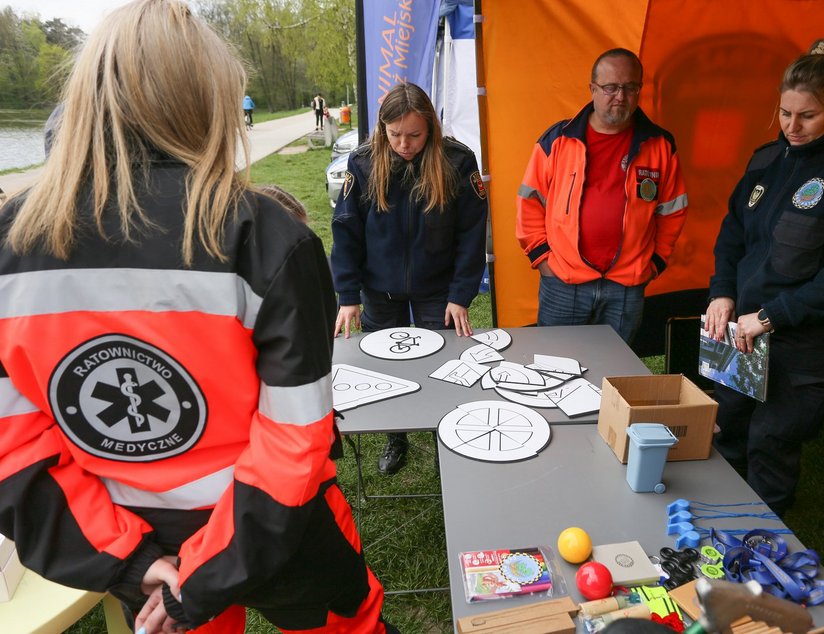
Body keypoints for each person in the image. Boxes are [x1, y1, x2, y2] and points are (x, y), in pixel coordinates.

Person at [0, 1, 391, 633]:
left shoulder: (9, 247)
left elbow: (12, 451)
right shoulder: (263, 237)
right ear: (205, 95)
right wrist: (212, 568)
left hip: (138, 536)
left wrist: (127, 559)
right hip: (278, 529)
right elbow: (294, 439)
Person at [704, 33, 824, 517]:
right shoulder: (766, 160)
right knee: (727, 423)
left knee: (772, 440)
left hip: (805, 342)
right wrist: (723, 294)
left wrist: (770, 317)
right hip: (742, 329)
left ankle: (761, 541)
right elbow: (733, 235)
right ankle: (716, 522)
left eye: (807, 115)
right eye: (785, 112)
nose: (792, 126)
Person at [331, 82, 487, 475]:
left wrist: (461, 294)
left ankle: (446, 434)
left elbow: (472, 233)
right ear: (382, 129)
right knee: (388, 367)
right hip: (380, 288)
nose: (404, 144)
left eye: (415, 135)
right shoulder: (363, 163)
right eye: (395, 134)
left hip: (440, 288)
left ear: (430, 128)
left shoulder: (457, 160)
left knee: (445, 363)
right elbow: (345, 229)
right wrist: (348, 295)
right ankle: (395, 436)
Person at [516, 48, 688, 346]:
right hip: (564, 282)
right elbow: (530, 201)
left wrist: (654, 263)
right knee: (555, 367)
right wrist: (543, 259)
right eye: (610, 87)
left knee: (613, 375)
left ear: (639, 90)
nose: (620, 96)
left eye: (629, 87)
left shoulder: (660, 146)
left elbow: (672, 210)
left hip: (625, 287)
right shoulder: (557, 141)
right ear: (593, 89)